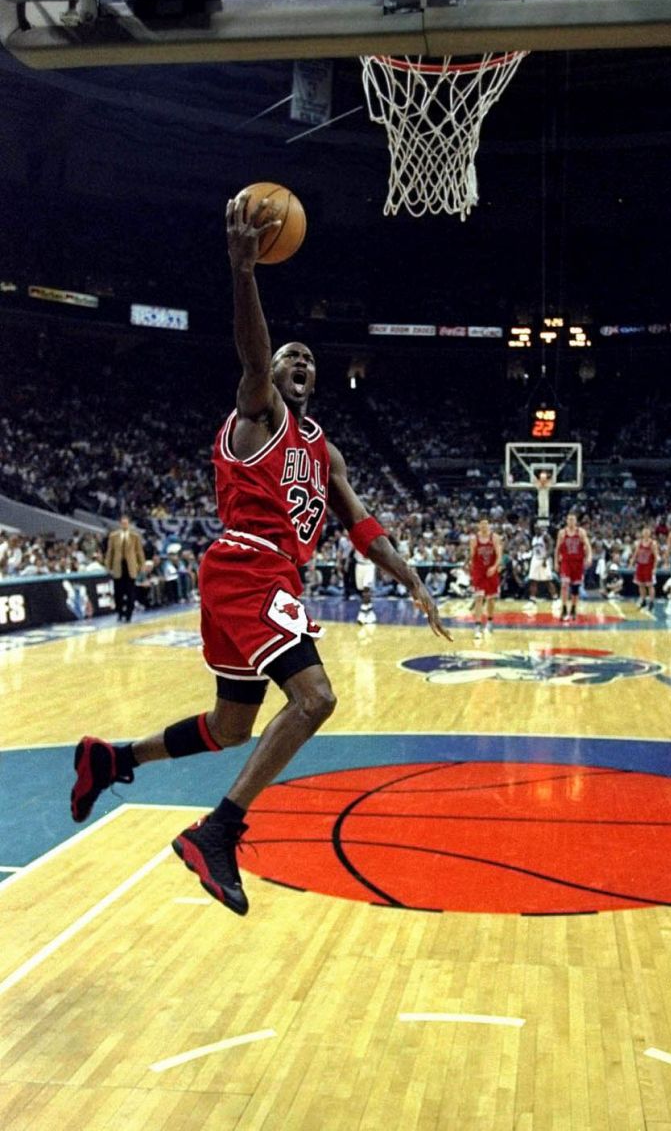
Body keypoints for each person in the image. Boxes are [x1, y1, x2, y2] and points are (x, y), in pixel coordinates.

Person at [70, 189, 451, 917]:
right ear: (270, 375)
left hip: (265, 576)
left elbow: (360, 523)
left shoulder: (324, 449)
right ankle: (217, 833)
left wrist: (412, 579)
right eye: (287, 356)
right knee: (317, 698)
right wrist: (243, 271)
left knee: (231, 726)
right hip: (250, 563)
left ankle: (113, 758)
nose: (298, 361)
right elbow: (251, 350)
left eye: (307, 358)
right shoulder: (260, 411)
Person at [104, 514, 146, 623]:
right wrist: (108, 566)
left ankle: (128, 614)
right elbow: (110, 552)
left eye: (126, 523)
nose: (124, 525)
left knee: (130, 592)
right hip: (118, 567)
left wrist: (142, 565)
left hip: (130, 567)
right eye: (123, 523)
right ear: (120, 524)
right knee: (118, 592)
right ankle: (120, 612)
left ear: (129, 524)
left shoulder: (135, 536)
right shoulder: (113, 536)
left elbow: (139, 552)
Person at [468, 517, 502, 639]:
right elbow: (472, 556)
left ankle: (490, 621)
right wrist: (471, 570)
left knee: (491, 599)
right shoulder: (474, 539)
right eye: (481, 524)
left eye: (486, 524)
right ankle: (478, 626)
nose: (484, 526)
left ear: (489, 525)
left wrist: (494, 567)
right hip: (479, 571)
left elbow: (499, 556)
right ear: (478, 526)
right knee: (479, 598)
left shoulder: (495, 538)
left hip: (491, 571)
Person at [554, 512, 592, 622]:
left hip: (578, 562)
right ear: (566, 521)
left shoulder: (581, 532)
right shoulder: (562, 533)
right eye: (569, 519)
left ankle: (574, 608)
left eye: (573, 519)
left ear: (576, 521)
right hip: (566, 562)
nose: (571, 521)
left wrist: (589, 557)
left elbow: (588, 546)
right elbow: (557, 549)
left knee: (575, 588)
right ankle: (564, 608)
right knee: (564, 585)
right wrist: (556, 562)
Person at [524, 527, 555, 612]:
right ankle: (532, 600)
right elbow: (533, 549)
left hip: (543, 559)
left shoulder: (545, 536)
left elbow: (551, 548)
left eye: (538, 528)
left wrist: (545, 558)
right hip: (535, 559)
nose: (537, 529)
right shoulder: (534, 538)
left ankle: (556, 599)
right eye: (536, 528)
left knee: (548, 581)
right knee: (533, 580)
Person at [629, 526, 659, 611]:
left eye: (647, 532)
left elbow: (656, 557)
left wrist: (655, 568)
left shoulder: (653, 543)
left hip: (649, 566)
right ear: (642, 533)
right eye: (644, 532)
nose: (645, 533)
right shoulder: (639, 543)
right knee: (641, 584)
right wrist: (631, 563)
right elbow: (635, 554)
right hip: (640, 565)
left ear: (649, 533)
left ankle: (651, 602)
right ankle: (643, 600)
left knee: (650, 585)